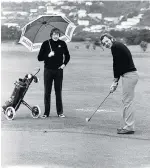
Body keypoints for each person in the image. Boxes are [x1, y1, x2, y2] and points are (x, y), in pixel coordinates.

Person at [100, 33, 139, 134]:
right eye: (104, 43)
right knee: (126, 101)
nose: (106, 44)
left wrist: (115, 82)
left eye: (107, 41)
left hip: (129, 75)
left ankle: (129, 127)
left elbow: (116, 64)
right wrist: (115, 82)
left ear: (111, 39)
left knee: (127, 102)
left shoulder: (115, 46)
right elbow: (118, 64)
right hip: (129, 75)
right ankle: (128, 125)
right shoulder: (117, 46)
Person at [37, 28, 70, 118]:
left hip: (59, 71)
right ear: (51, 35)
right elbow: (39, 58)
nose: (56, 36)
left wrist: (64, 64)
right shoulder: (46, 43)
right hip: (48, 70)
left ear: (59, 35)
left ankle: (60, 112)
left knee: (58, 91)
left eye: (57, 34)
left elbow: (67, 56)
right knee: (47, 92)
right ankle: (46, 113)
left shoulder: (62, 44)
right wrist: (48, 55)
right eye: (54, 34)